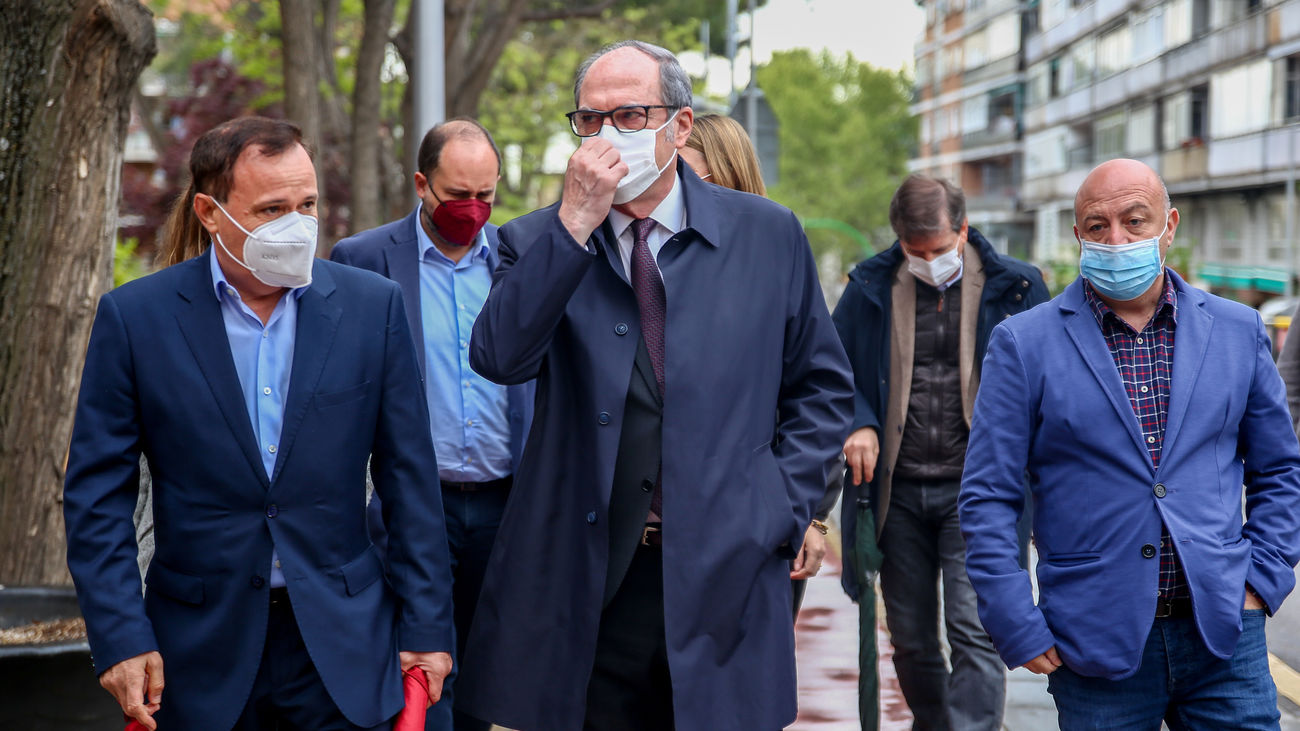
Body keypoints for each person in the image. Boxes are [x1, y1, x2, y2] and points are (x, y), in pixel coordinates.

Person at [458, 40, 854, 731]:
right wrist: (574, 225)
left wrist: (778, 506)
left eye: (632, 115)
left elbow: (820, 388)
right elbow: (499, 355)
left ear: (681, 126)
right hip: (589, 583)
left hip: (723, 570)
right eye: (589, 119)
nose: (609, 134)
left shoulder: (767, 234)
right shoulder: (536, 241)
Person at [63, 116, 455, 731]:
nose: (297, 224)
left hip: (344, 646)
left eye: (308, 203)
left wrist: (428, 628)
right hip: (196, 652)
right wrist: (119, 636)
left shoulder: (370, 307)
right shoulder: (136, 318)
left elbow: (410, 481)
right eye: (272, 208)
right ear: (211, 212)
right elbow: (96, 498)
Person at [960, 158, 1300, 729]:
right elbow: (989, 495)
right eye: (1097, 226)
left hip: (1223, 635)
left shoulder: (1238, 330)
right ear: (1078, 238)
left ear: (1168, 226)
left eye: (1135, 221)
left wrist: (1262, 580)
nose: (1116, 240)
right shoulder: (1023, 344)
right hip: (1093, 642)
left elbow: (1281, 468)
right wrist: (1013, 619)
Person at [331, 118, 533, 731]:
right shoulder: (362, 261)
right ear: (422, 184)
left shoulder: (518, 257)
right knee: (417, 669)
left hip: (505, 503)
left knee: (489, 670)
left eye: (486, 196)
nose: (472, 210)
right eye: (457, 196)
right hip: (413, 505)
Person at [832, 174, 1047, 730]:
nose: (928, 260)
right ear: (898, 240)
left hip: (978, 494)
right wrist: (859, 422)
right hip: (895, 494)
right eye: (914, 251)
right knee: (909, 636)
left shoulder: (1018, 288)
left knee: (974, 628)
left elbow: (1049, 386)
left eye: (939, 249)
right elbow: (830, 369)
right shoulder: (869, 287)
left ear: (964, 229)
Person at [682, 112, 840, 617]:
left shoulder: (774, 254)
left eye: (685, 172)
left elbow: (816, 392)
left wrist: (805, 517)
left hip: (761, 520)